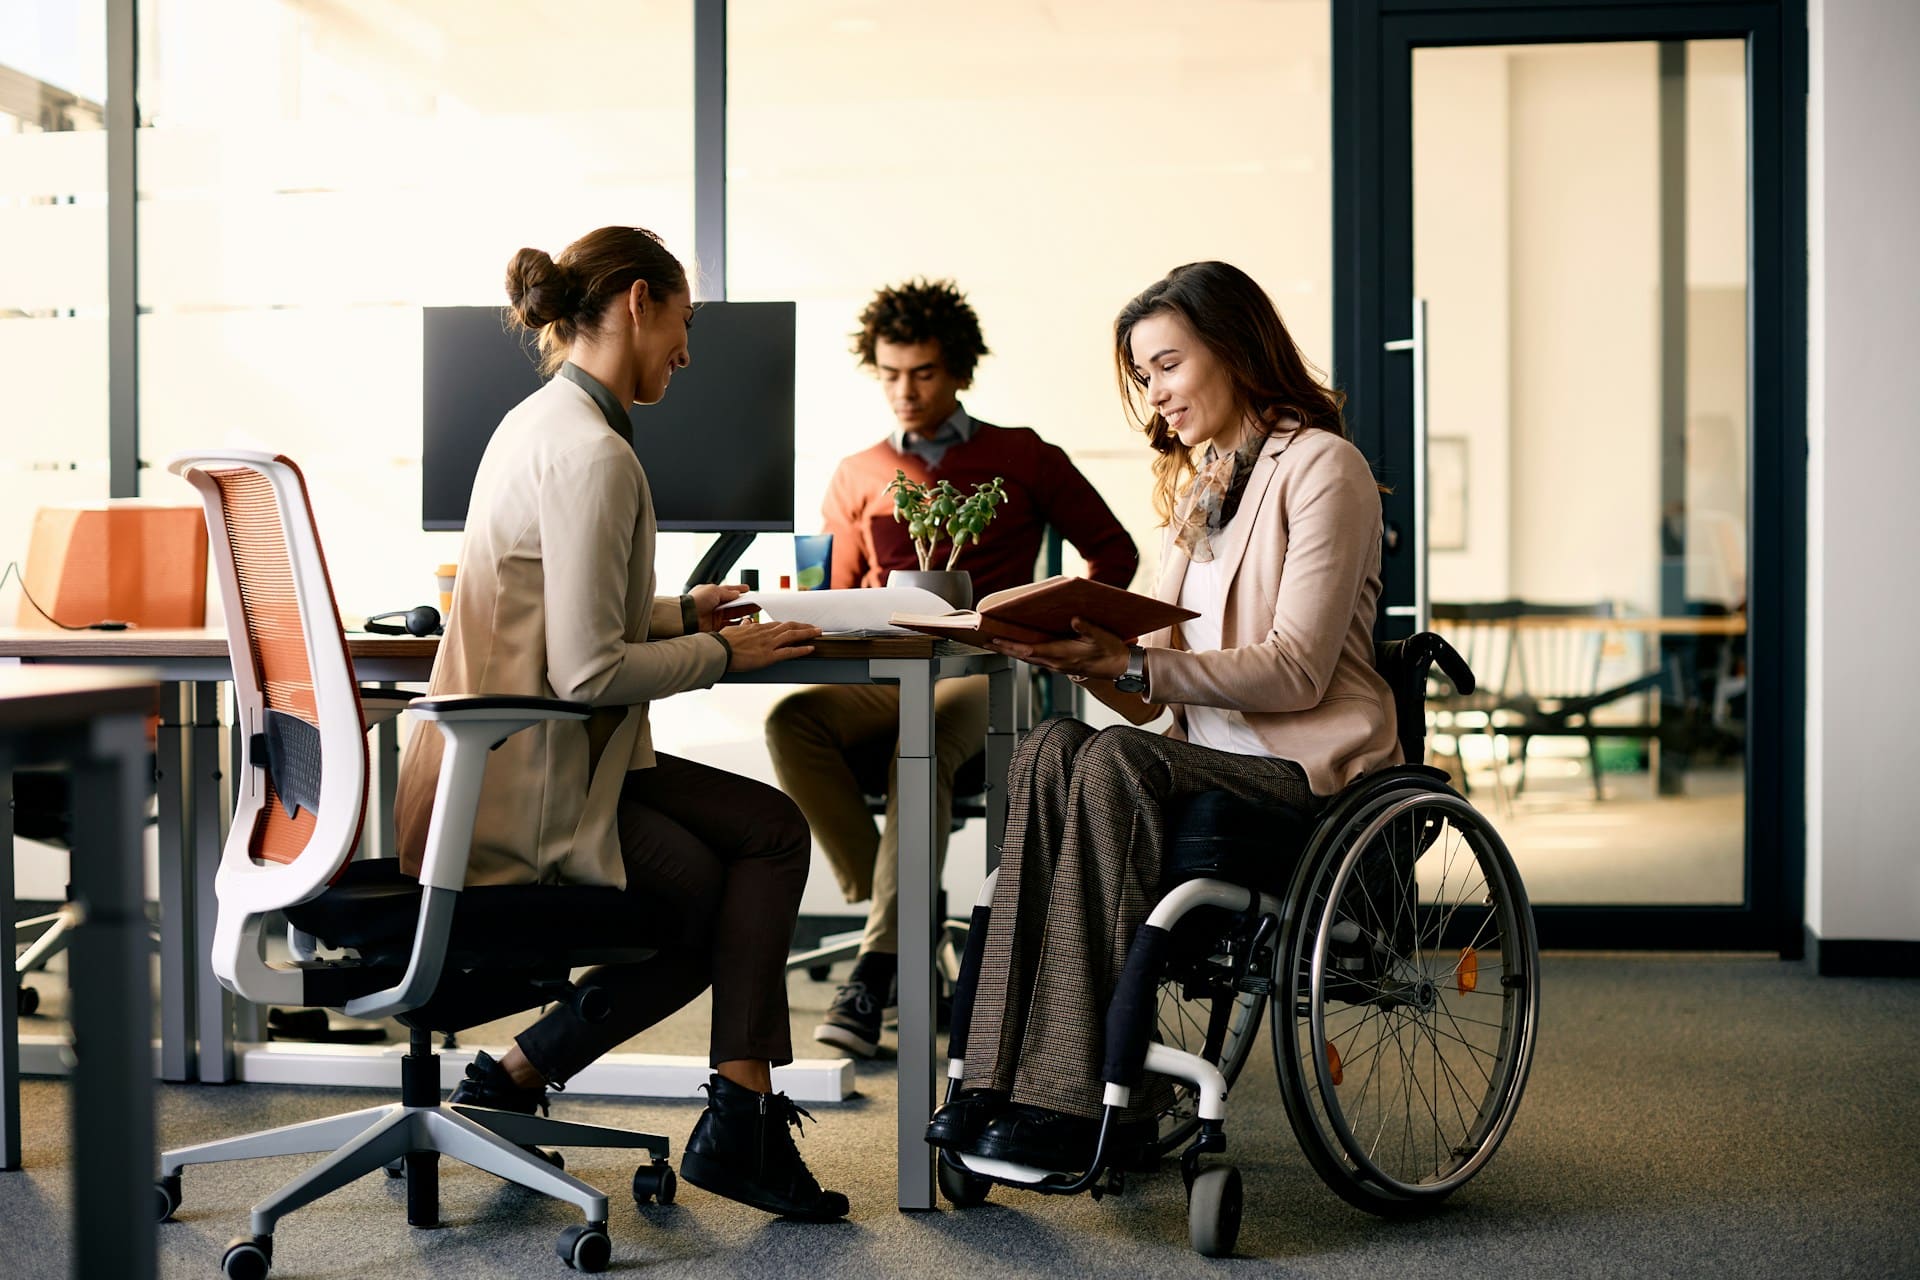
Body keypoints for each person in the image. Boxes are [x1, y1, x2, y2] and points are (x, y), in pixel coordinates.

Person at [392, 225, 848, 1221]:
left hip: (515, 757)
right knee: (728, 884)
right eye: (683, 324)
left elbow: (569, 618)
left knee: (760, 843)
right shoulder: (594, 453)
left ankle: (533, 1077)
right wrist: (727, 655)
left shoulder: (539, 421)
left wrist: (685, 614)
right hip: (535, 781)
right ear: (640, 301)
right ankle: (738, 1119)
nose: (687, 353)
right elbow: (591, 666)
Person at [924, 261, 1403, 1169]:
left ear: (1234, 347)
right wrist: (1071, 655)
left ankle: (1075, 1100)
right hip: (1199, 755)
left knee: (1109, 766)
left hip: (1302, 772)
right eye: (1144, 377)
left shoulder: (1323, 468)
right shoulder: (1203, 486)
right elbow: (1154, 679)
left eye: (1168, 367)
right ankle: (990, 1077)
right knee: (1053, 746)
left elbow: (1297, 671)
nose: (1156, 397)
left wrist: (1136, 661)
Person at [764, 277, 1138, 1058]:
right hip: (887, 676)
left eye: (923, 373)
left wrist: (1046, 623)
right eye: (890, 374)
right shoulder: (857, 473)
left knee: (924, 735)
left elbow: (1115, 553)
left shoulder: (1024, 455)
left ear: (960, 370)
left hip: (990, 673)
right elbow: (839, 586)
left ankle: (876, 967)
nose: (904, 391)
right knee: (790, 720)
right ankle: (903, 922)